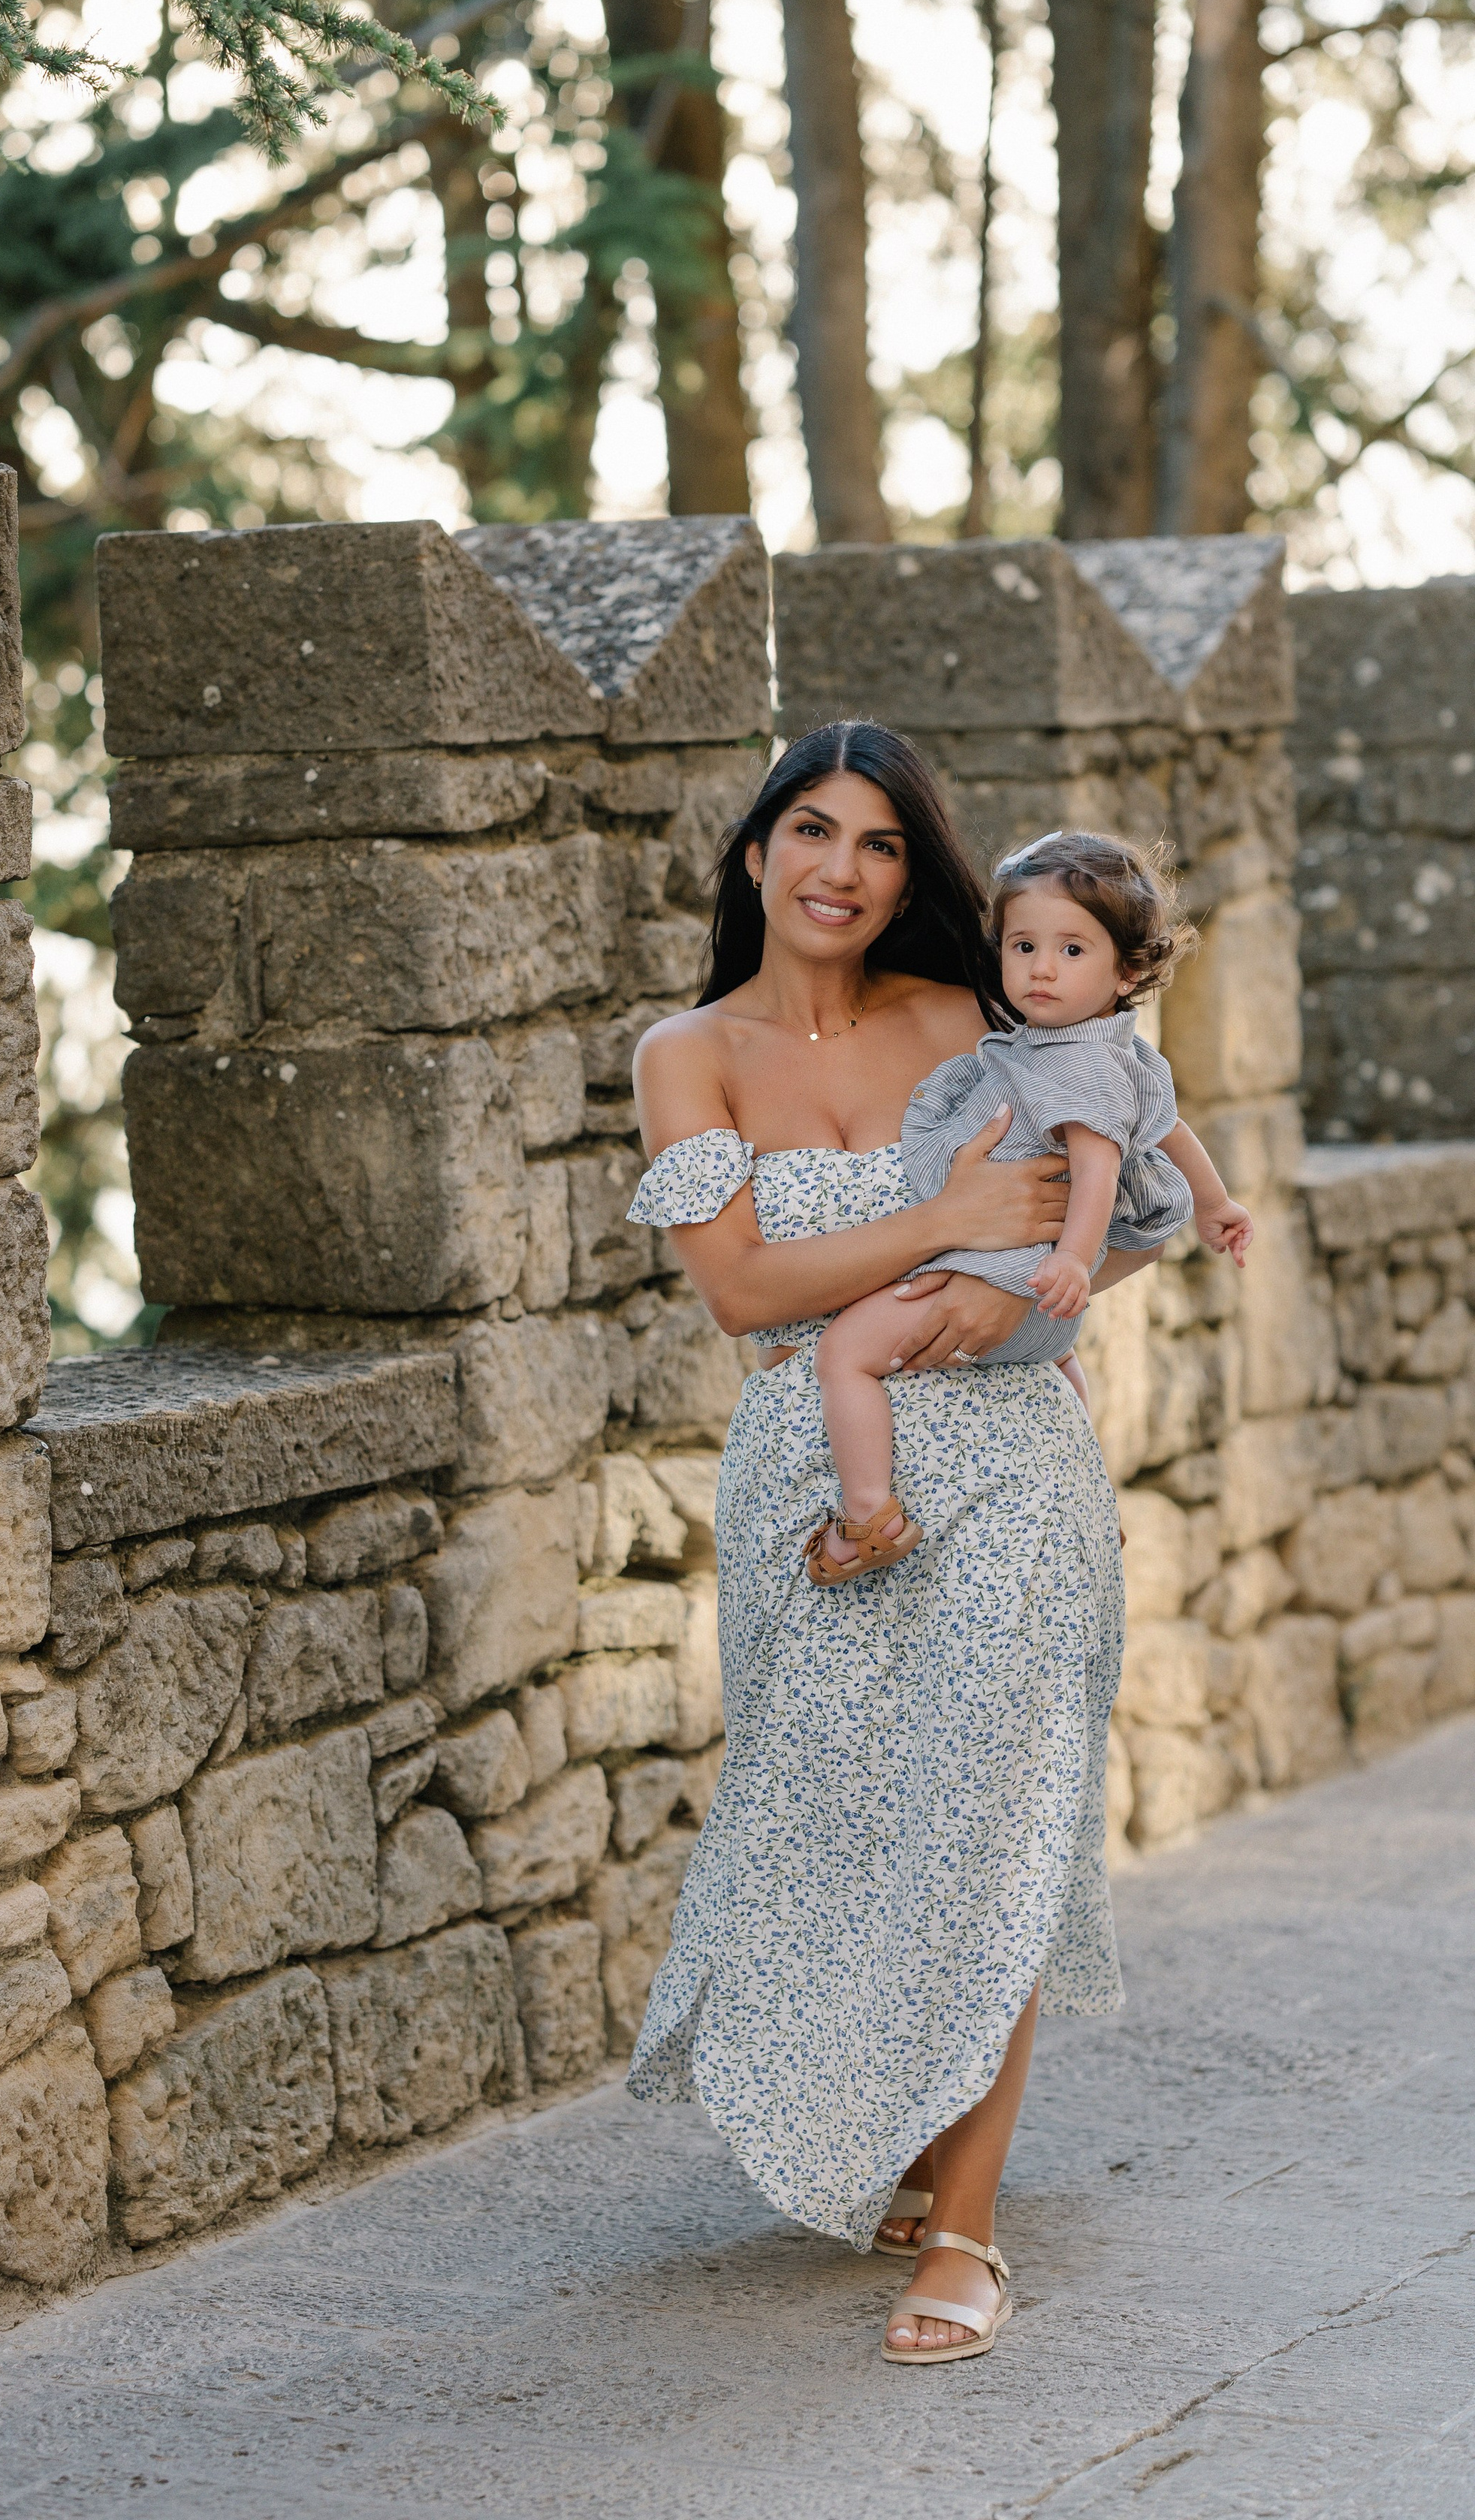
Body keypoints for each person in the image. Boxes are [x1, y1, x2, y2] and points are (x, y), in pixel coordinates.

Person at [623, 721, 1166, 2364]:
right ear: (752, 855)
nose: (838, 869)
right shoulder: (686, 1054)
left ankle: (971, 2231)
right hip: (814, 1468)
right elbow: (737, 1292)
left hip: (1006, 1463)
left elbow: (1114, 1205)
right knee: (855, 1819)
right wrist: (935, 1228)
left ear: (906, 874)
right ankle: (911, 2139)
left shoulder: (969, 1019)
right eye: (808, 831)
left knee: (990, 1826)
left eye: (874, 844)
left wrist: (1005, 1313)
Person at [806, 828, 1253, 1575]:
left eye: (1071, 952)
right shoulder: (1118, 1048)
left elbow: (1099, 1165)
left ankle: (868, 1513)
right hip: (1045, 1320)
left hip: (1014, 1272)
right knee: (1060, 1369)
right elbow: (1168, 1128)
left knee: (844, 1354)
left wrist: (1076, 1260)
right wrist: (1214, 1204)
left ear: (1128, 970)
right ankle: (1090, 1493)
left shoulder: (1070, 1061)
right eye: (1023, 948)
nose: (1041, 970)